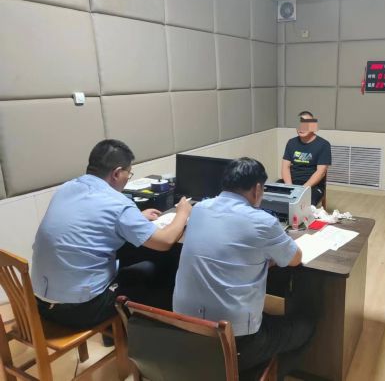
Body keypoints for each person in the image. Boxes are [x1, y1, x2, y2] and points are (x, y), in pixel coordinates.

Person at [173, 158, 314, 380]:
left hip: (186, 331)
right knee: (305, 327)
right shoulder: (263, 222)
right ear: (257, 189)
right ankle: (259, 374)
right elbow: (295, 259)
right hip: (234, 343)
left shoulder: (199, 209)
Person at [31, 139, 192, 329]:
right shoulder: (117, 204)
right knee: (152, 270)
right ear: (116, 173)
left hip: (40, 303)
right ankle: (150, 336)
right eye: (128, 174)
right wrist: (183, 213)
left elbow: (90, 219)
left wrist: (136, 218)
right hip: (80, 310)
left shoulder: (67, 188)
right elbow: (165, 241)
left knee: (129, 255)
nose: (127, 179)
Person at [281, 111, 331, 205]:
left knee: (304, 205)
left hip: (313, 185)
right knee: (273, 197)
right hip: (291, 182)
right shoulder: (291, 143)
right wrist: (289, 187)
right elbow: (285, 167)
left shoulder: (324, 144)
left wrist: (302, 190)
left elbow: (321, 172)